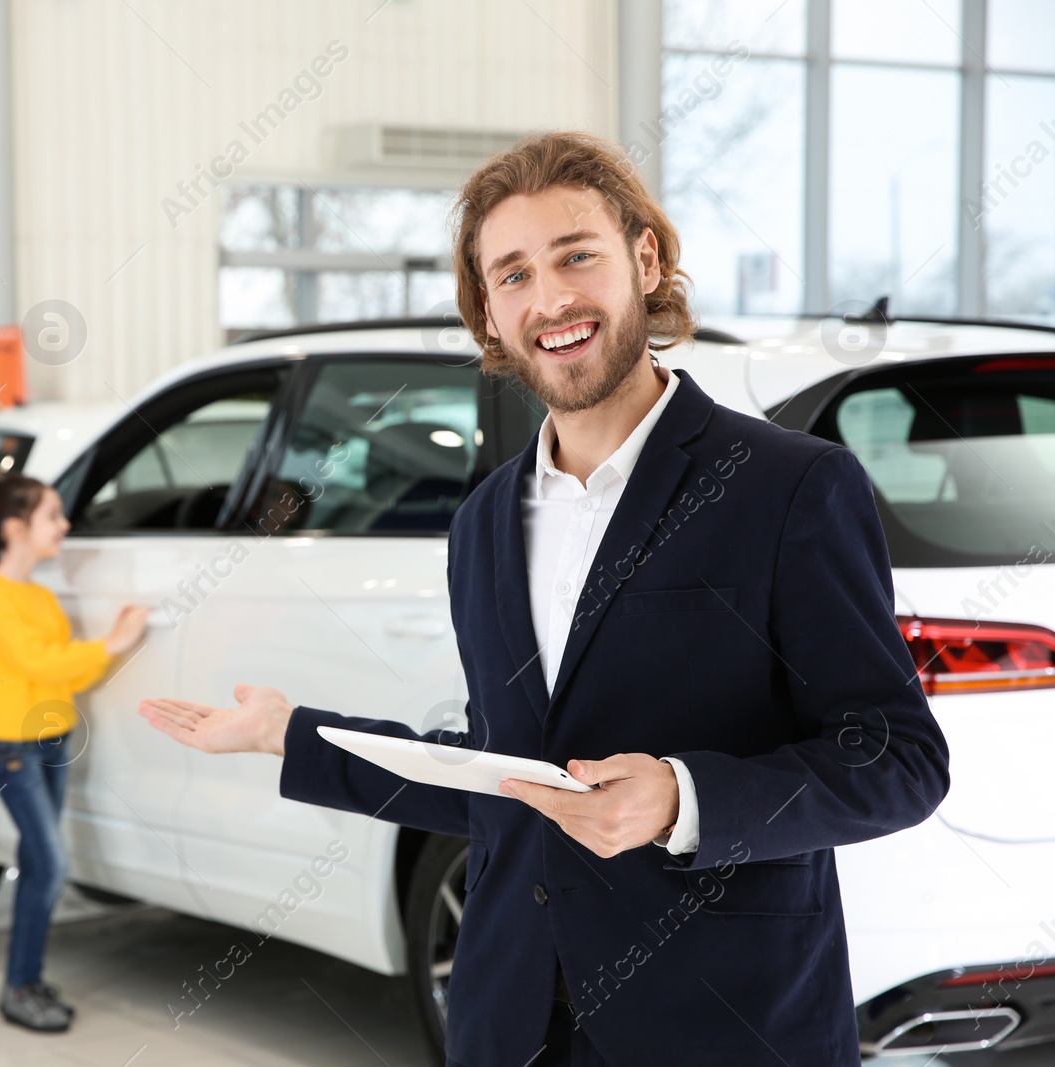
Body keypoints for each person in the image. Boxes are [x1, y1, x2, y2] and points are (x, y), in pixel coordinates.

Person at [140, 131, 950, 1067]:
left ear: (644, 259)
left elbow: (897, 759)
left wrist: (683, 799)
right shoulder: (482, 522)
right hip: (511, 1022)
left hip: (725, 1025)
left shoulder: (787, 485)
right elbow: (505, 781)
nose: (551, 299)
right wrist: (292, 735)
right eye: (513, 274)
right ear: (488, 311)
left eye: (577, 256)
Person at [0, 475, 148, 1032]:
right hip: (13, 749)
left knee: (41, 861)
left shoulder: (40, 596)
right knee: (48, 864)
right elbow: (40, 663)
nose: (64, 525)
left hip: (53, 739)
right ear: (14, 529)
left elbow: (69, 665)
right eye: (52, 515)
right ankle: (19, 986)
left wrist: (103, 648)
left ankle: (27, 980)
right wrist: (113, 643)